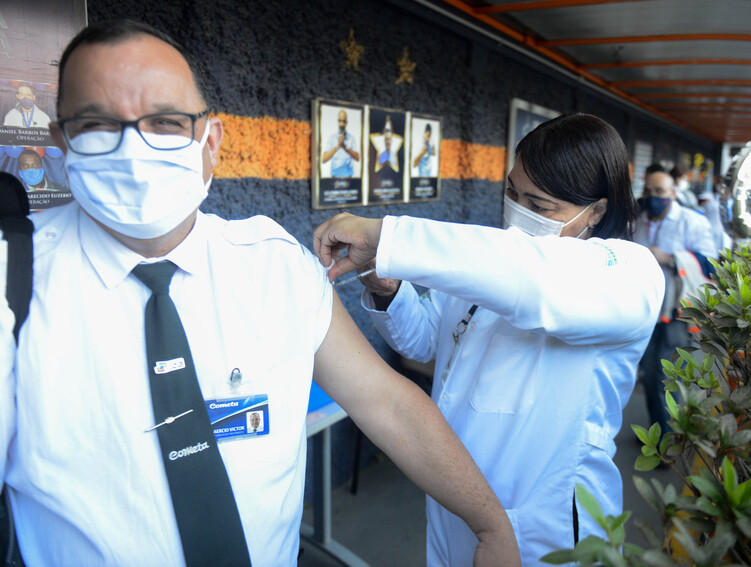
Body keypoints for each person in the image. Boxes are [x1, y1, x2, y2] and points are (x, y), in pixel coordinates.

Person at [0, 19, 520, 567]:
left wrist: (490, 525)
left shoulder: (274, 267)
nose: (134, 147)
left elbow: (387, 403)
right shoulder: (12, 277)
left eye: (167, 122)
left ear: (211, 141)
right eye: (97, 124)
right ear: (61, 142)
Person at [314, 113, 665, 566]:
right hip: (454, 499)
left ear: (595, 211)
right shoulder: (489, 261)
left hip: (545, 525)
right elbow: (428, 344)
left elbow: (536, 280)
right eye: (513, 192)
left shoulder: (629, 273)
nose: (518, 213)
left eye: (539, 207)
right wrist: (388, 289)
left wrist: (387, 235)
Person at [633, 166, 717, 436]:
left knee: (665, 377)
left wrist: (669, 257)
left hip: (676, 314)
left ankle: (667, 440)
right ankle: (657, 433)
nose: (653, 196)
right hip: (644, 311)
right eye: (648, 190)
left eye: (659, 191)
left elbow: (712, 264)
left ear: (673, 193)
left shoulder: (692, 222)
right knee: (648, 373)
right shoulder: (637, 220)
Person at [320, 108, 360, 178]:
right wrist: (337, 146)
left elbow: (357, 158)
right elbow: (324, 159)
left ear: (346, 123)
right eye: (340, 121)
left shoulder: (351, 138)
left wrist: (345, 148)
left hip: (349, 179)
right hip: (334, 179)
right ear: (337, 121)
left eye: (344, 121)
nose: (341, 124)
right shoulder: (332, 138)